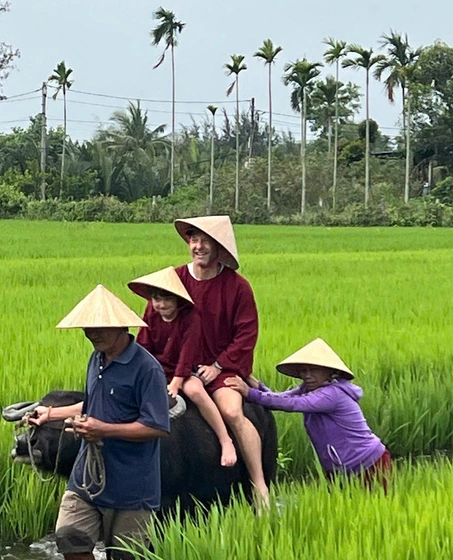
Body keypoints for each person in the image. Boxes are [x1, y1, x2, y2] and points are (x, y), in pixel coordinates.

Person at [26, 284, 170, 560]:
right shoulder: (97, 359)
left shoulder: (147, 369)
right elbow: (91, 404)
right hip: (88, 477)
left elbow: (156, 426)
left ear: (121, 326)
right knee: (69, 536)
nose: (92, 334)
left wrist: (103, 430)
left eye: (99, 327)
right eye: (87, 327)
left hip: (132, 484)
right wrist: (50, 414)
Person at [172, 215, 269, 507]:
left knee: (232, 412)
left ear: (218, 247)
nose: (198, 246)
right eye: (193, 240)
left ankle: (259, 483)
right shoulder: (174, 279)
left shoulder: (237, 287)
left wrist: (217, 366)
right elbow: (155, 322)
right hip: (178, 367)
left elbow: (246, 333)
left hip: (222, 368)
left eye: (205, 241)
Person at [224, 338, 391, 485]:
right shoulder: (308, 389)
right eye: (304, 370)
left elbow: (293, 404)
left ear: (329, 371)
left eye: (314, 370)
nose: (307, 375)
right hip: (339, 469)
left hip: (368, 464)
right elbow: (280, 397)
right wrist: (255, 384)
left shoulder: (333, 394)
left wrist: (250, 393)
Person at [128, 266, 237, 468]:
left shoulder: (191, 317)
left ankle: (225, 440)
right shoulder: (151, 313)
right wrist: (144, 374)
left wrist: (176, 382)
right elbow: (144, 348)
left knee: (194, 390)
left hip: (185, 370)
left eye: (167, 299)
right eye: (156, 299)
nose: (161, 305)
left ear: (178, 300)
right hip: (157, 368)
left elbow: (188, 353)